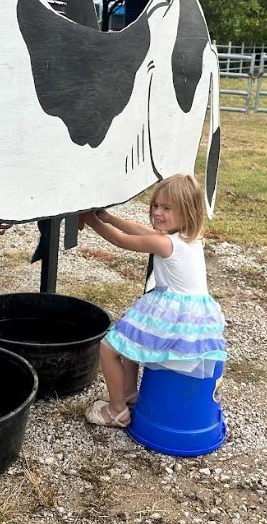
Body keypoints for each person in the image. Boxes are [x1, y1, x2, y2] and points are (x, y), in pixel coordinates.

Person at [79, 174, 227, 428]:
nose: (157, 213)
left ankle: (117, 410)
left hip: (173, 314)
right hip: (192, 314)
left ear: (187, 211)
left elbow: (121, 240)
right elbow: (143, 231)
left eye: (166, 208)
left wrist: (91, 220)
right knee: (132, 341)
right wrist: (109, 217)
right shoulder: (189, 238)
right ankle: (127, 393)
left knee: (109, 347)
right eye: (155, 206)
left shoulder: (165, 243)